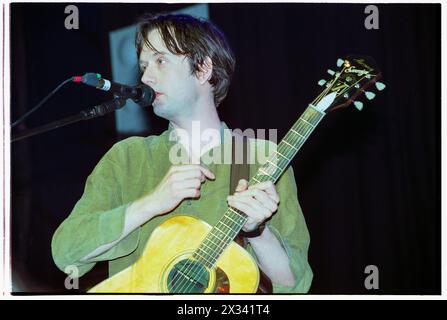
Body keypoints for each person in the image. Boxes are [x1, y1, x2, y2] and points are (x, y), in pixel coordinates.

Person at [51, 13, 313, 293]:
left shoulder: (263, 157)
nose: (145, 77)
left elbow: (296, 285)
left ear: (202, 69)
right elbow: (66, 254)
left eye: (160, 61)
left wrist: (258, 232)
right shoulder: (126, 157)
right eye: (143, 66)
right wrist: (153, 202)